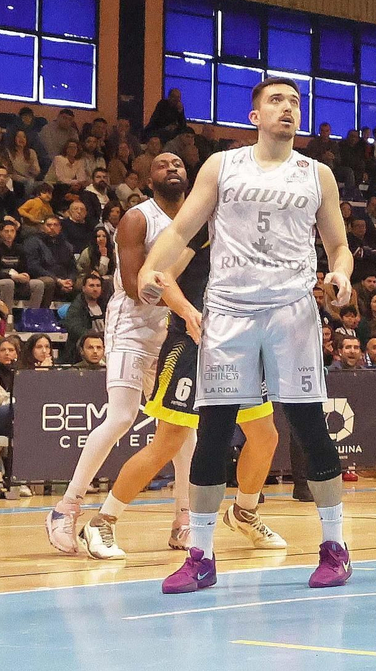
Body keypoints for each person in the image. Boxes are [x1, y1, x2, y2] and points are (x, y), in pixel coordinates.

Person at [139, 77, 355, 592]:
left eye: (295, 101)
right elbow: (180, 230)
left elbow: (339, 246)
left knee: (307, 425)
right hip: (230, 312)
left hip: (291, 312)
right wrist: (152, 269)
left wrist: (341, 275)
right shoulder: (222, 165)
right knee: (213, 430)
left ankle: (335, 547)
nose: (288, 108)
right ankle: (201, 554)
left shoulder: (318, 175)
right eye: (276, 100)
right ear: (255, 115)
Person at [45, 155, 188, 555]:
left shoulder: (197, 218)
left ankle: (183, 519)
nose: (172, 167)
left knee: (182, 426)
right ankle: (66, 507)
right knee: (122, 415)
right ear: (149, 179)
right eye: (162, 164)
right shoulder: (137, 218)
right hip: (133, 329)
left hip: (174, 330)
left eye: (178, 162)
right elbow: (131, 283)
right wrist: (186, 304)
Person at [0, 219, 46, 308]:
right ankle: (7, 315)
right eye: (6, 231)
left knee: (38, 284)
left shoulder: (19, 249)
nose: (9, 234)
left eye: (12, 231)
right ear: (1, 232)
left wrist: (25, 275)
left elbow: (24, 268)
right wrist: (12, 277)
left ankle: (32, 315)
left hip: (17, 281)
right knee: (9, 283)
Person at [24, 216, 76, 304]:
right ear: (42, 227)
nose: (52, 227)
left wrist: (71, 280)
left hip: (64, 279)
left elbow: (72, 267)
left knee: (85, 284)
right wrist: (57, 280)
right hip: (43, 277)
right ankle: (43, 313)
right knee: (49, 282)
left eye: (55, 225)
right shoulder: (33, 242)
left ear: (60, 228)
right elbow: (33, 267)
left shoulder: (66, 245)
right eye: (49, 225)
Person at [61, 273, 109, 343]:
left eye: (98, 286)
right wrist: (97, 336)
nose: (95, 289)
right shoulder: (76, 307)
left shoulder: (106, 305)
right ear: (83, 288)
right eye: (91, 286)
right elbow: (76, 329)